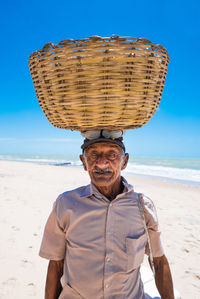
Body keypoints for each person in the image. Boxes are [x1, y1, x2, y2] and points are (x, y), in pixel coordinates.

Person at [39, 130, 174, 299]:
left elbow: (159, 262)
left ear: (124, 161)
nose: (102, 163)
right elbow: (56, 264)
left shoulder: (143, 206)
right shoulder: (66, 204)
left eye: (112, 154)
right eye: (93, 154)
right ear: (83, 162)